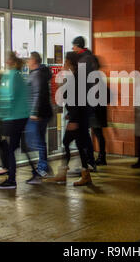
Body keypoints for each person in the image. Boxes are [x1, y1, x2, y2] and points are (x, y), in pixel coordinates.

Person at [46, 52, 91, 186]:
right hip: (78, 118)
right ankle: (83, 174)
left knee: (67, 142)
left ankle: (64, 174)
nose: (63, 65)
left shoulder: (75, 78)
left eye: (66, 62)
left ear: (71, 64)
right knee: (78, 145)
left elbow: (77, 100)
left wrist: (73, 119)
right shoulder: (74, 77)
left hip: (78, 119)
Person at [0, 52, 29, 190]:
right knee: (12, 146)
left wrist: (1, 113)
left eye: (8, 60)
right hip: (19, 117)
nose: (6, 62)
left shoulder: (13, 76)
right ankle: (15, 176)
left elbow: (9, 95)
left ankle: (11, 179)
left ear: (13, 62)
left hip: (13, 117)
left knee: (9, 148)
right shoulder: (18, 76)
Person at [69, 36, 99, 174]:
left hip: (83, 103)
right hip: (87, 102)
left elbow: (81, 85)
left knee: (81, 135)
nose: (73, 49)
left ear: (78, 46)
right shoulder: (89, 58)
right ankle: (88, 163)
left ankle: (87, 164)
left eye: (74, 46)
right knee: (83, 134)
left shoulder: (84, 61)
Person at [25, 51, 54, 184]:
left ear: (34, 61)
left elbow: (37, 94)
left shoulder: (37, 74)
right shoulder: (41, 73)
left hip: (39, 114)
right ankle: (44, 167)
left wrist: (34, 112)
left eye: (29, 59)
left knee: (37, 141)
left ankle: (42, 169)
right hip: (43, 113)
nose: (27, 62)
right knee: (39, 140)